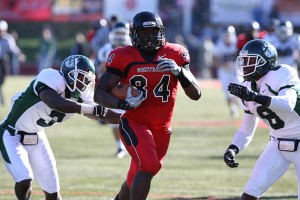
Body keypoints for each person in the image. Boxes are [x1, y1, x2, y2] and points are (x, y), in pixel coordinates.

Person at [94, 11, 201, 200]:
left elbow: (196, 94)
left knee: (138, 174)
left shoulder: (175, 53)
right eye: (144, 33)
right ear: (134, 34)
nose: (150, 37)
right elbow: (99, 93)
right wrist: (123, 103)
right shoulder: (122, 55)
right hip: (134, 122)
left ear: (161, 31)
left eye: (153, 32)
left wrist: (179, 73)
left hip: (162, 128)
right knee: (149, 165)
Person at [0, 55, 121, 200]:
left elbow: (101, 114)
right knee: (24, 179)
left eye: (87, 80)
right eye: (82, 78)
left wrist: (126, 119)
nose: (84, 84)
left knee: (53, 193)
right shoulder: (51, 77)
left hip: (37, 136)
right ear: (70, 74)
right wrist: (91, 109)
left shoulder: (81, 96)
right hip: (11, 134)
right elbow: (55, 103)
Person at [223, 39, 300, 200]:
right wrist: (233, 148)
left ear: (265, 62)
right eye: (243, 60)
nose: (244, 65)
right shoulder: (247, 86)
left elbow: (288, 104)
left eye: (250, 61)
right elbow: (246, 129)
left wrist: (254, 97)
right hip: (277, 144)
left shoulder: (283, 73)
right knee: (249, 195)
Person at [96, 20, 131, 159]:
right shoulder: (105, 50)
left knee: (132, 120)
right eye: (118, 33)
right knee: (114, 121)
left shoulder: (134, 49)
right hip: (113, 89)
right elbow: (100, 70)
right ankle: (119, 146)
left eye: (123, 33)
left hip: (130, 88)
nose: (121, 37)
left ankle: (132, 145)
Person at [213, 25, 242, 118]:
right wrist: (223, 65)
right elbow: (215, 59)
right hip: (224, 71)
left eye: (229, 35)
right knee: (228, 91)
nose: (227, 37)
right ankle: (233, 108)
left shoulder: (237, 43)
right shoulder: (219, 45)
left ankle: (238, 103)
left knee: (240, 88)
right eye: (226, 35)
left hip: (237, 70)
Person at [0, 20, 23, 106]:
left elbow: (14, 48)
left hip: (4, 62)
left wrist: (19, 54)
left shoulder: (8, 38)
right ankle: (1, 99)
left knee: (2, 80)